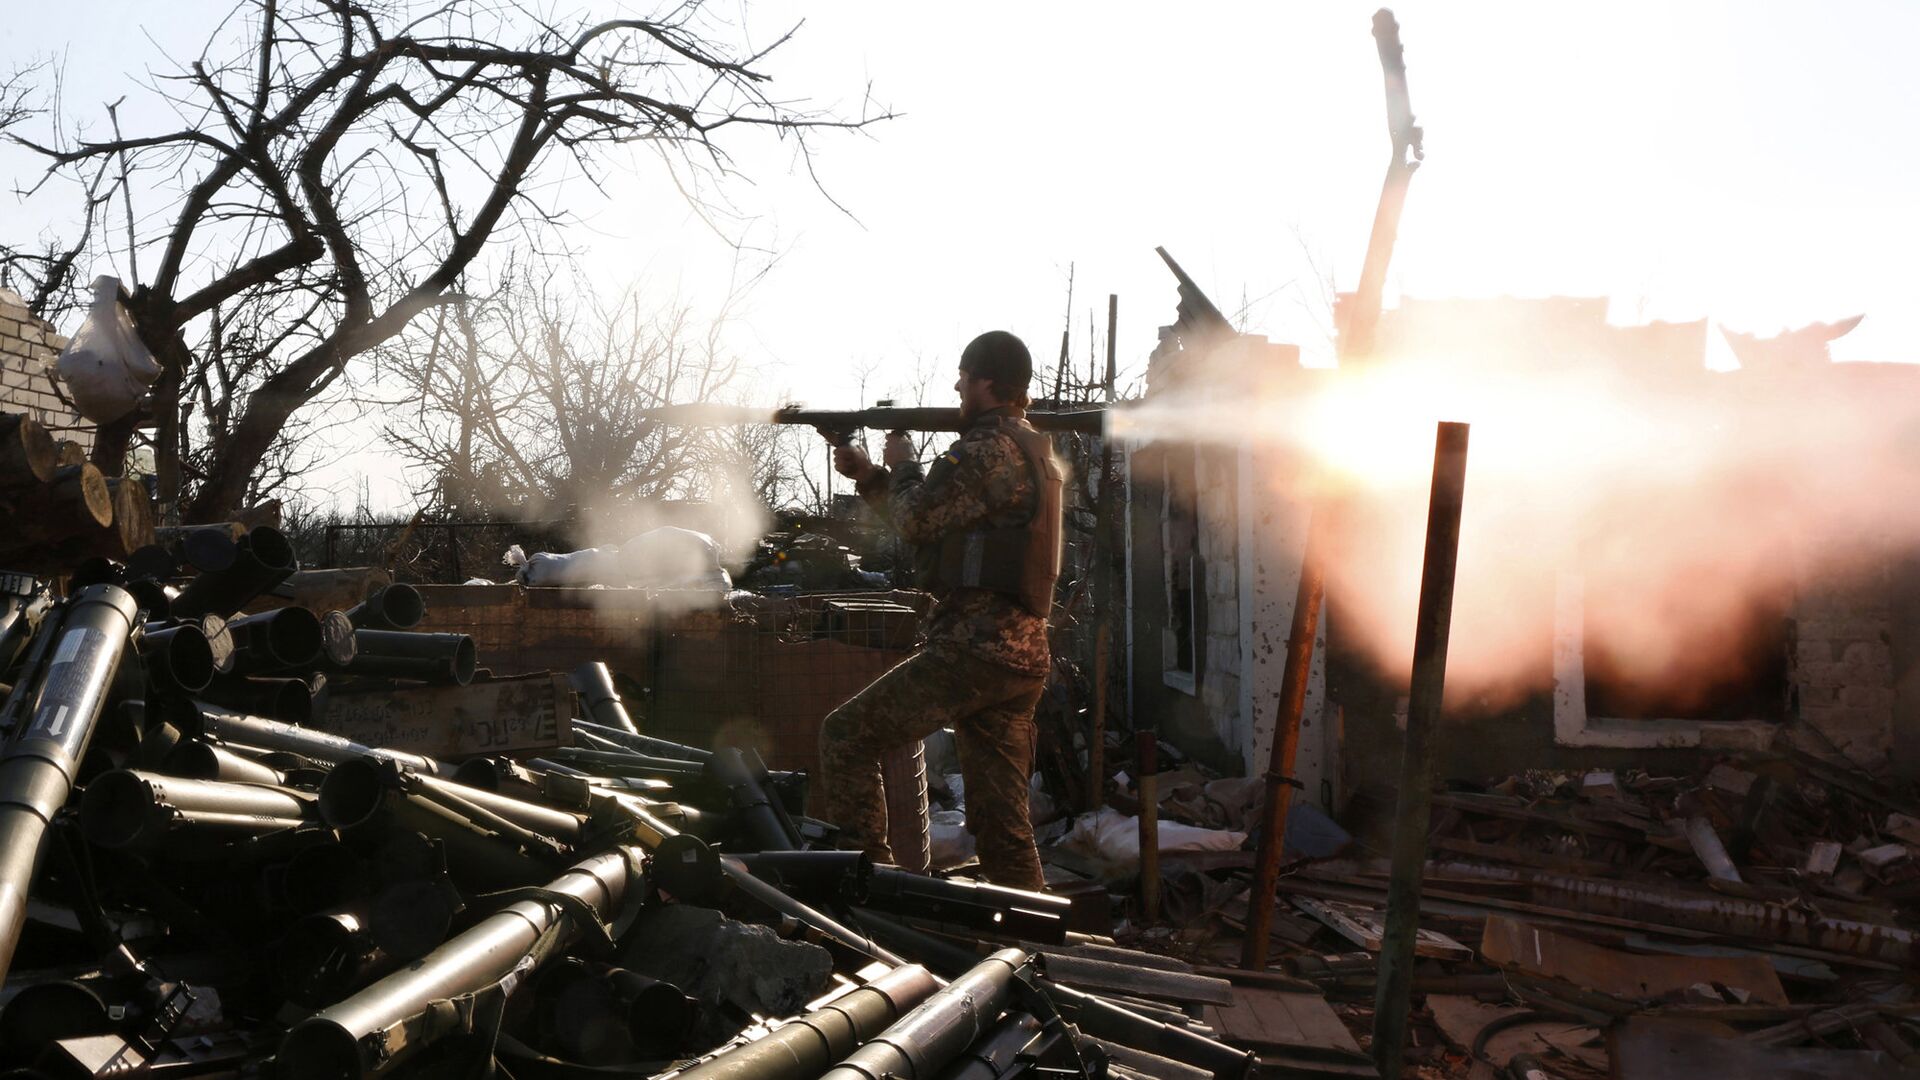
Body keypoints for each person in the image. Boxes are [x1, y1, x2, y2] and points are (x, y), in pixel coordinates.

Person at [817, 330, 1063, 890]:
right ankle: (1029, 938)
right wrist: (871, 477)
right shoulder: (1029, 449)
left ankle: (868, 890)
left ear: (986, 382)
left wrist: (901, 464)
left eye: (963, 375)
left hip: (973, 649)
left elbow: (916, 520)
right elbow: (937, 524)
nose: (956, 385)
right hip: (1018, 655)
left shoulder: (985, 449)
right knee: (1002, 822)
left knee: (846, 736)